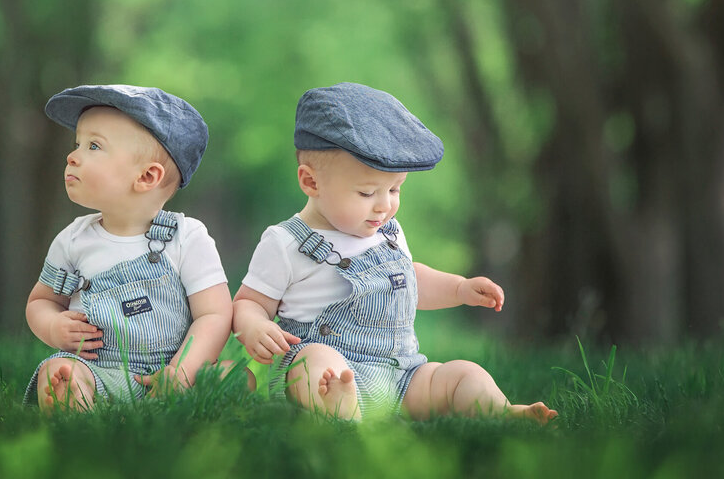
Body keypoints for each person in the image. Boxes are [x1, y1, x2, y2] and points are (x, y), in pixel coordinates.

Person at [232, 82, 557, 423]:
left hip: (403, 377)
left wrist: (459, 288)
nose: (385, 205)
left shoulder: (388, 232)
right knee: (313, 362)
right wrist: (255, 326)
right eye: (367, 193)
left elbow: (409, 281)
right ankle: (342, 412)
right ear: (311, 182)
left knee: (463, 374)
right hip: (333, 370)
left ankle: (500, 413)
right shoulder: (286, 242)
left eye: (395, 189)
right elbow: (248, 302)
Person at [24, 84, 234, 412]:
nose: (72, 156)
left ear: (147, 176)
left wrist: (180, 373)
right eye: (77, 143)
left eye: (93, 146)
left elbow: (214, 314)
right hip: (99, 372)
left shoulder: (187, 238)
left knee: (235, 377)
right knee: (58, 370)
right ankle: (77, 409)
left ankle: (174, 404)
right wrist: (53, 325)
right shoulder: (74, 240)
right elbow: (42, 300)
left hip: (174, 371)